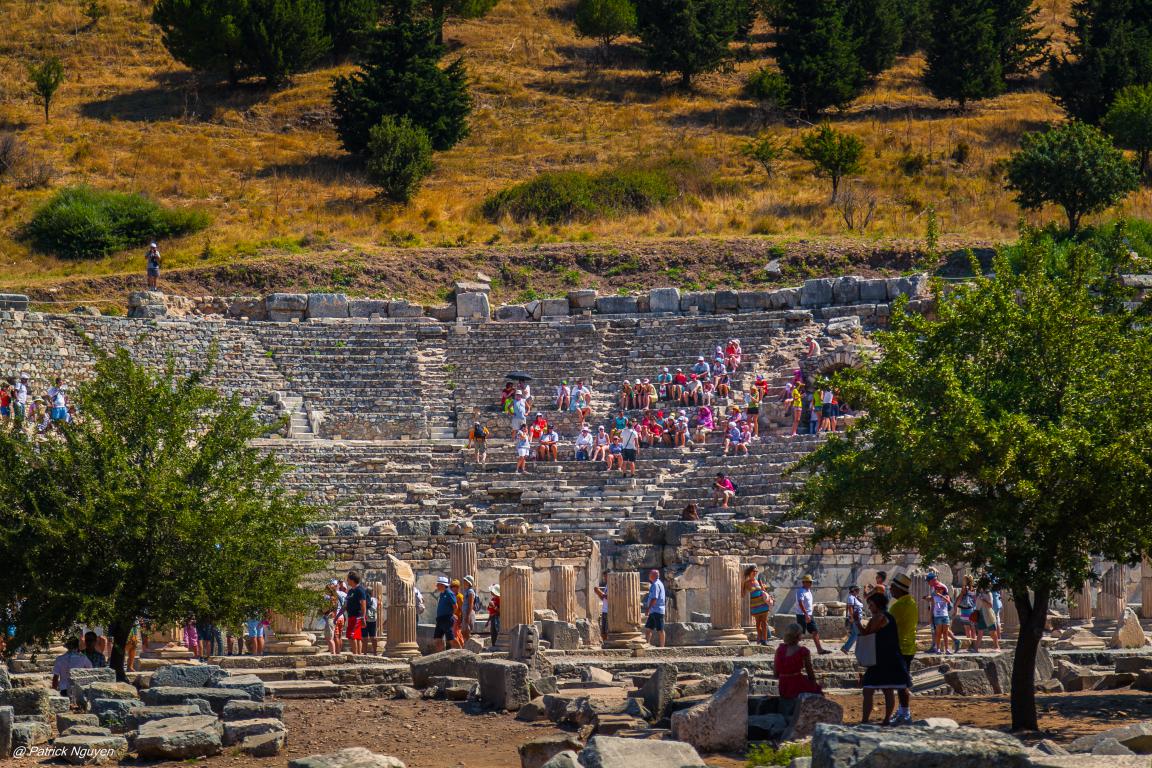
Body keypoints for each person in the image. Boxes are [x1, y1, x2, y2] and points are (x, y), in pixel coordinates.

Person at [855, 591, 911, 725]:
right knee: (886, 689)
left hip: (884, 658)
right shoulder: (885, 616)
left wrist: (857, 622)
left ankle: (867, 721)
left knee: (870, 689)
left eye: (871, 605)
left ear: (878, 605)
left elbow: (867, 633)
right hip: (887, 657)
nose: (869, 608)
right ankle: (884, 720)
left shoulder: (880, 617)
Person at [887, 573, 918, 724]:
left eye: (892, 587)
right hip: (909, 647)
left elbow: (886, 624)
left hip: (900, 648)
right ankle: (902, 710)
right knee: (901, 682)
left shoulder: (898, 606)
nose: (890, 589)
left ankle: (905, 714)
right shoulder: (911, 602)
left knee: (901, 684)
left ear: (899, 589)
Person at [775, 623, 823, 697]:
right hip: (796, 684)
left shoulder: (779, 650)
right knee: (818, 692)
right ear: (798, 636)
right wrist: (814, 685)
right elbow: (810, 672)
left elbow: (775, 673)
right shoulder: (803, 651)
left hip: (783, 686)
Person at [795, 575, 831, 654]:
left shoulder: (808, 591)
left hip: (809, 614)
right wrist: (806, 614)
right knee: (800, 633)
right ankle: (793, 649)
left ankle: (820, 650)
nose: (811, 584)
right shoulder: (800, 591)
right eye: (809, 582)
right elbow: (800, 603)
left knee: (815, 631)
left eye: (811, 582)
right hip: (802, 615)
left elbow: (808, 603)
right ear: (804, 582)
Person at [744, 566, 774, 645]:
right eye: (753, 571)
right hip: (755, 605)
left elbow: (763, 590)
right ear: (750, 572)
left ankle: (764, 640)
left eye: (756, 571)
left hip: (763, 604)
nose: (755, 573)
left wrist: (764, 588)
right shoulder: (746, 583)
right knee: (758, 624)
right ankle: (760, 638)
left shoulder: (758, 580)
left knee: (764, 622)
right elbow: (743, 593)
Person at [341, 571, 368, 656]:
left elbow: (363, 604)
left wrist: (363, 617)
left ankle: (356, 655)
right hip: (351, 616)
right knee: (356, 636)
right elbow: (346, 604)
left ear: (352, 580)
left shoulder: (360, 590)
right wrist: (338, 615)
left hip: (358, 616)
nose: (347, 581)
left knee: (352, 635)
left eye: (348, 579)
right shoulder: (350, 591)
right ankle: (358, 655)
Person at [926, 582, 953, 655]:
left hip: (945, 616)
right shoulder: (934, 597)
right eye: (937, 589)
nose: (938, 590)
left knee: (945, 633)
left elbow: (948, 601)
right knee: (938, 633)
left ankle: (947, 649)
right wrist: (930, 617)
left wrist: (940, 595)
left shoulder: (946, 596)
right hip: (937, 616)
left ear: (943, 589)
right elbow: (931, 606)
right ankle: (938, 649)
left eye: (940, 589)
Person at [433, 576, 456, 653]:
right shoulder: (442, 594)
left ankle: (461, 653)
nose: (437, 586)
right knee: (437, 639)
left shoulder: (449, 593)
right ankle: (440, 656)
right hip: (440, 619)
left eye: (438, 584)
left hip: (447, 619)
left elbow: (455, 606)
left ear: (443, 585)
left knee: (451, 639)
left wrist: (452, 615)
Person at [644, 569, 666, 647]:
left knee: (660, 629)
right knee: (648, 629)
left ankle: (662, 647)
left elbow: (654, 598)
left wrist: (648, 608)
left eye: (650, 574)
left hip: (657, 610)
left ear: (653, 575)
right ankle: (647, 644)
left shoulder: (655, 584)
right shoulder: (658, 583)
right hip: (654, 611)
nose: (649, 575)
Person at [956, 575, 977, 652]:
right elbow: (975, 600)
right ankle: (974, 645)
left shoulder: (964, 588)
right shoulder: (974, 589)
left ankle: (969, 645)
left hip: (965, 610)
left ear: (966, 580)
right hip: (972, 609)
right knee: (973, 628)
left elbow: (960, 598)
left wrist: (956, 606)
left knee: (967, 629)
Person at [842, 585, 864, 653]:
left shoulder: (855, 597)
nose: (858, 591)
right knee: (858, 634)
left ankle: (846, 648)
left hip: (858, 618)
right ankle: (847, 648)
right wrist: (852, 618)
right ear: (853, 590)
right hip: (855, 618)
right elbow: (850, 608)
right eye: (857, 590)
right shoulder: (851, 597)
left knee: (855, 634)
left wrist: (859, 600)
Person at [461, 575, 479, 643]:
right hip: (466, 613)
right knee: (464, 631)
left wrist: (468, 616)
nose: (464, 582)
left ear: (469, 582)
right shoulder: (467, 591)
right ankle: (467, 644)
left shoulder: (470, 591)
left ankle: (469, 645)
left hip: (469, 613)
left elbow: (471, 604)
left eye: (465, 581)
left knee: (466, 631)